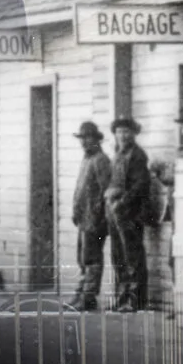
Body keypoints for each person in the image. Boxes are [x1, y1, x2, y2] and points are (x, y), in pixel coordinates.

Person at [104, 116, 153, 311]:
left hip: (130, 212)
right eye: (119, 132)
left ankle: (135, 299)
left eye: (126, 132)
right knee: (118, 255)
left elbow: (140, 185)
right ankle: (122, 296)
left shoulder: (138, 155)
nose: (122, 136)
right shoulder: (117, 154)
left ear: (133, 134)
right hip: (114, 211)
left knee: (133, 256)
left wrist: (122, 202)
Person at [68, 119, 111, 311]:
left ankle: (88, 297)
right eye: (82, 138)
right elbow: (81, 189)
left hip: (95, 219)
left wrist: (98, 216)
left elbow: (105, 191)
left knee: (92, 258)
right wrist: (76, 210)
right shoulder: (87, 159)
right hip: (84, 218)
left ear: (96, 140)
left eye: (88, 138)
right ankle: (82, 293)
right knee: (83, 258)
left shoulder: (101, 160)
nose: (84, 142)